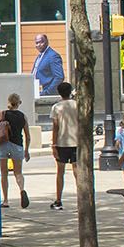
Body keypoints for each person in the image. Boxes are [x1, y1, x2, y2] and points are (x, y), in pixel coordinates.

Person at [49, 82, 80, 211]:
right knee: (77, 172)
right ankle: (81, 199)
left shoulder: (56, 107)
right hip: (76, 141)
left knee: (60, 172)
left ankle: (58, 199)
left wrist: (54, 144)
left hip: (62, 142)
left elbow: (55, 127)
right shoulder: (77, 105)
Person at [0, 94, 30, 208]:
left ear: (9, 102)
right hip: (18, 145)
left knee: (4, 173)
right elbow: (27, 135)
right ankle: (22, 189)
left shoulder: (3, 114)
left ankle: (5, 200)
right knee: (18, 172)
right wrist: (26, 150)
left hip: (3, 144)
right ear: (19, 103)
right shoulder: (23, 116)